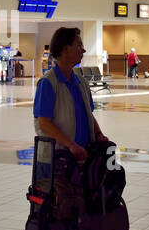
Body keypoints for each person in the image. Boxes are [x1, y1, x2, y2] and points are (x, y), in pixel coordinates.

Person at [34, 27, 108, 161]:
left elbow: (88, 115)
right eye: (79, 46)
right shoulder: (47, 83)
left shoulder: (81, 82)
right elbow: (44, 123)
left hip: (82, 155)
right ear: (65, 50)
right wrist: (71, 145)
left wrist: (98, 134)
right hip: (57, 160)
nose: (83, 50)